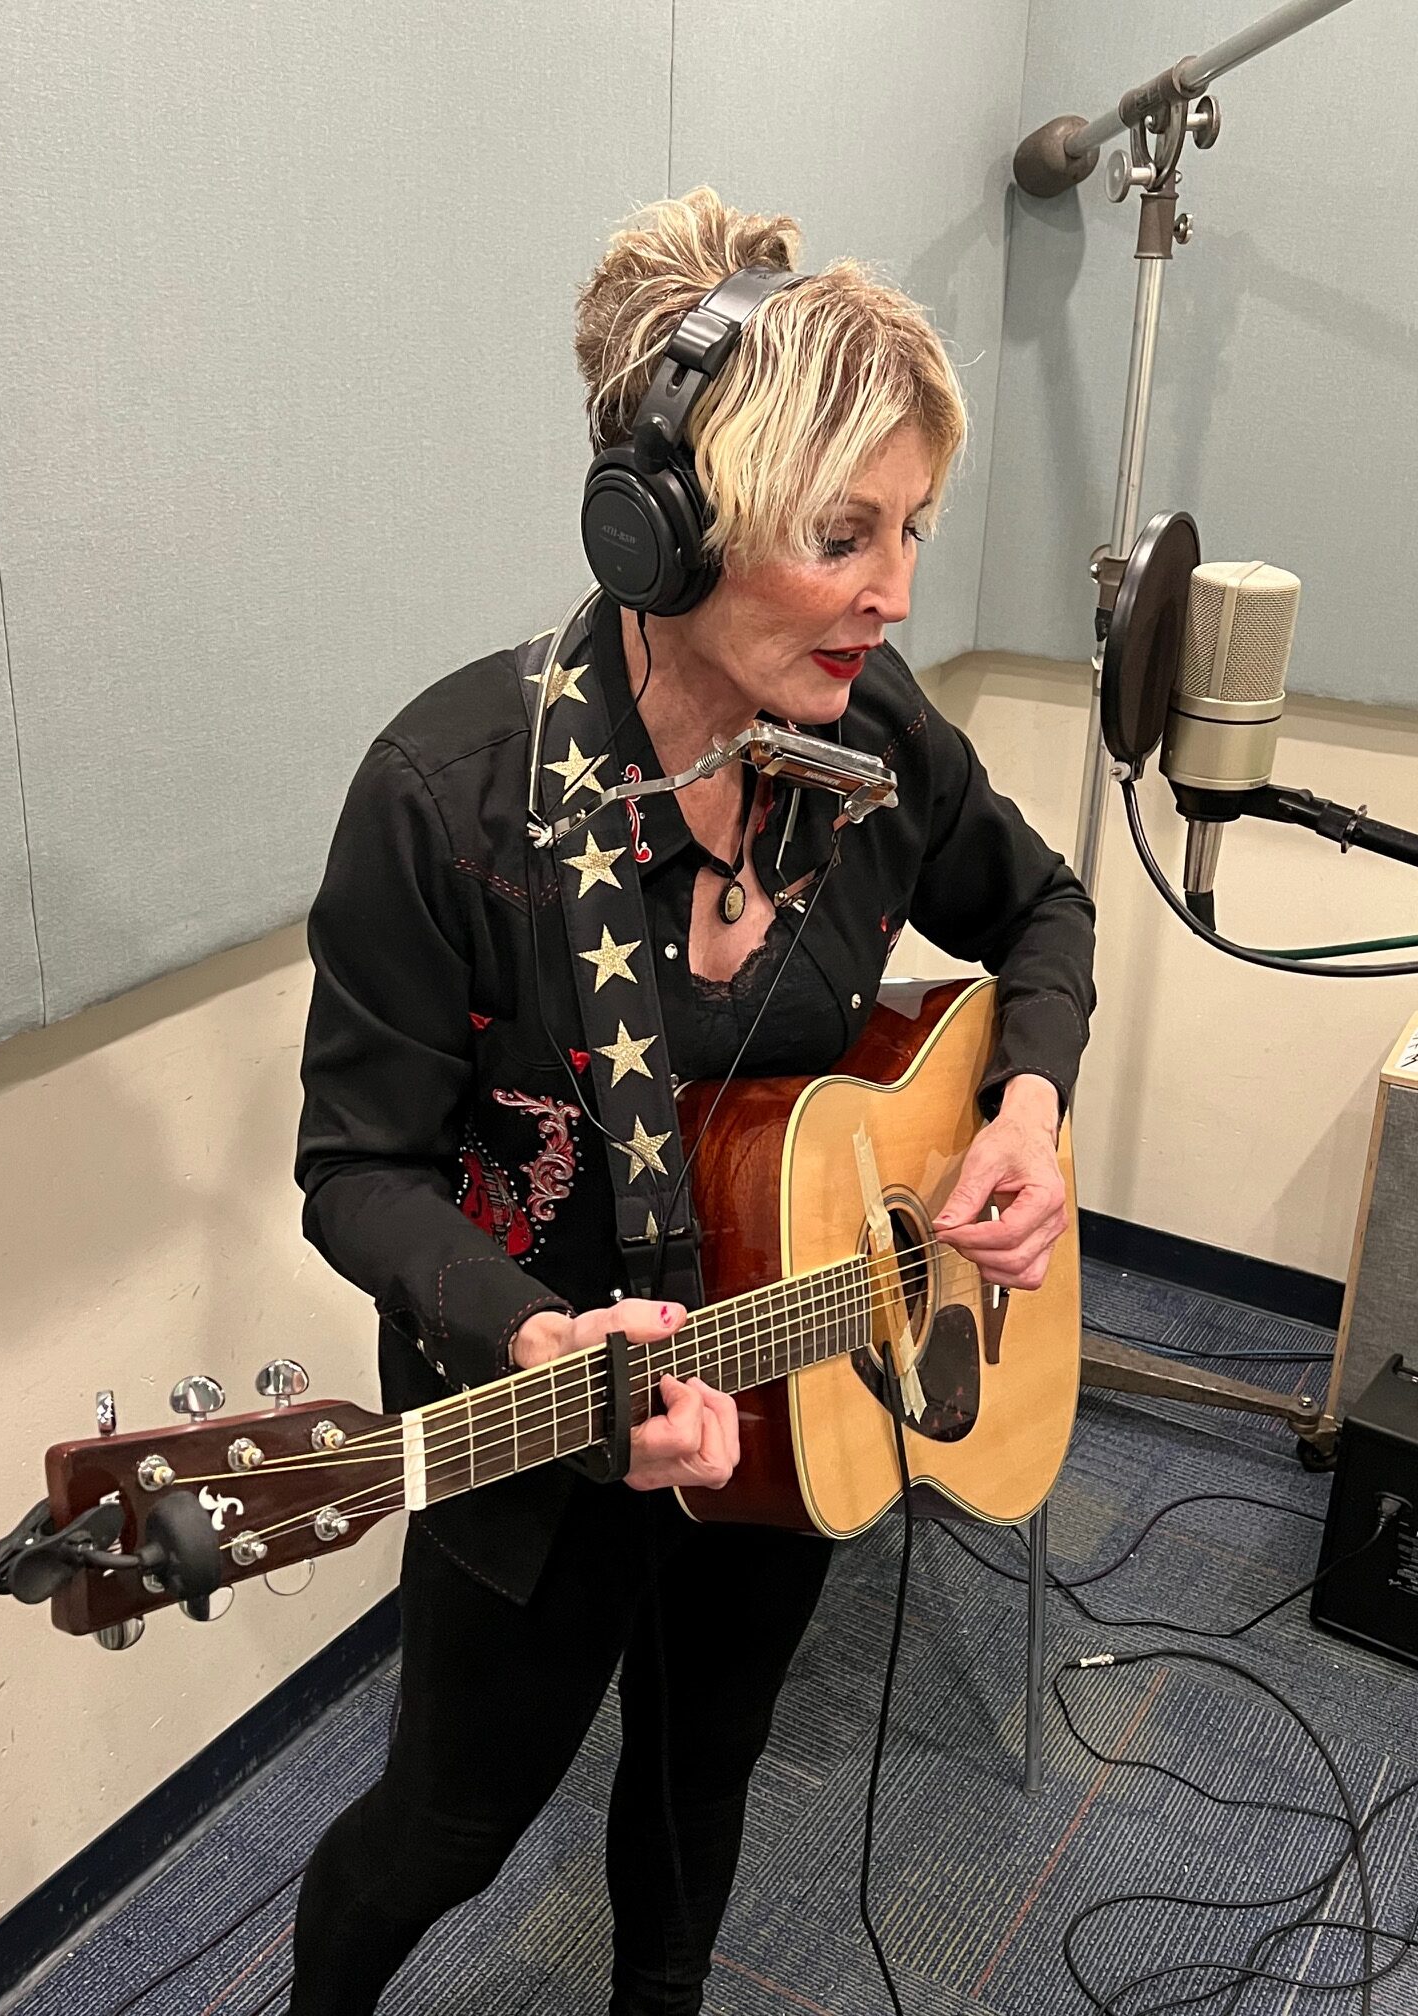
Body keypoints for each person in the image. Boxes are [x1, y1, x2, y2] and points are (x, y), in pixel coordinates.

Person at [288, 187, 1095, 2016]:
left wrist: (1024, 1110)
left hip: (807, 1383)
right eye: (845, 535)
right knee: (448, 1825)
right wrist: (545, 1336)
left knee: (696, 1777)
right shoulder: (448, 799)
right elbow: (357, 1176)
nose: (898, 592)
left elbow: (1041, 910)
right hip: (539, 1422)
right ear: (671, 525)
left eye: (915, 531)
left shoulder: (874, 737)